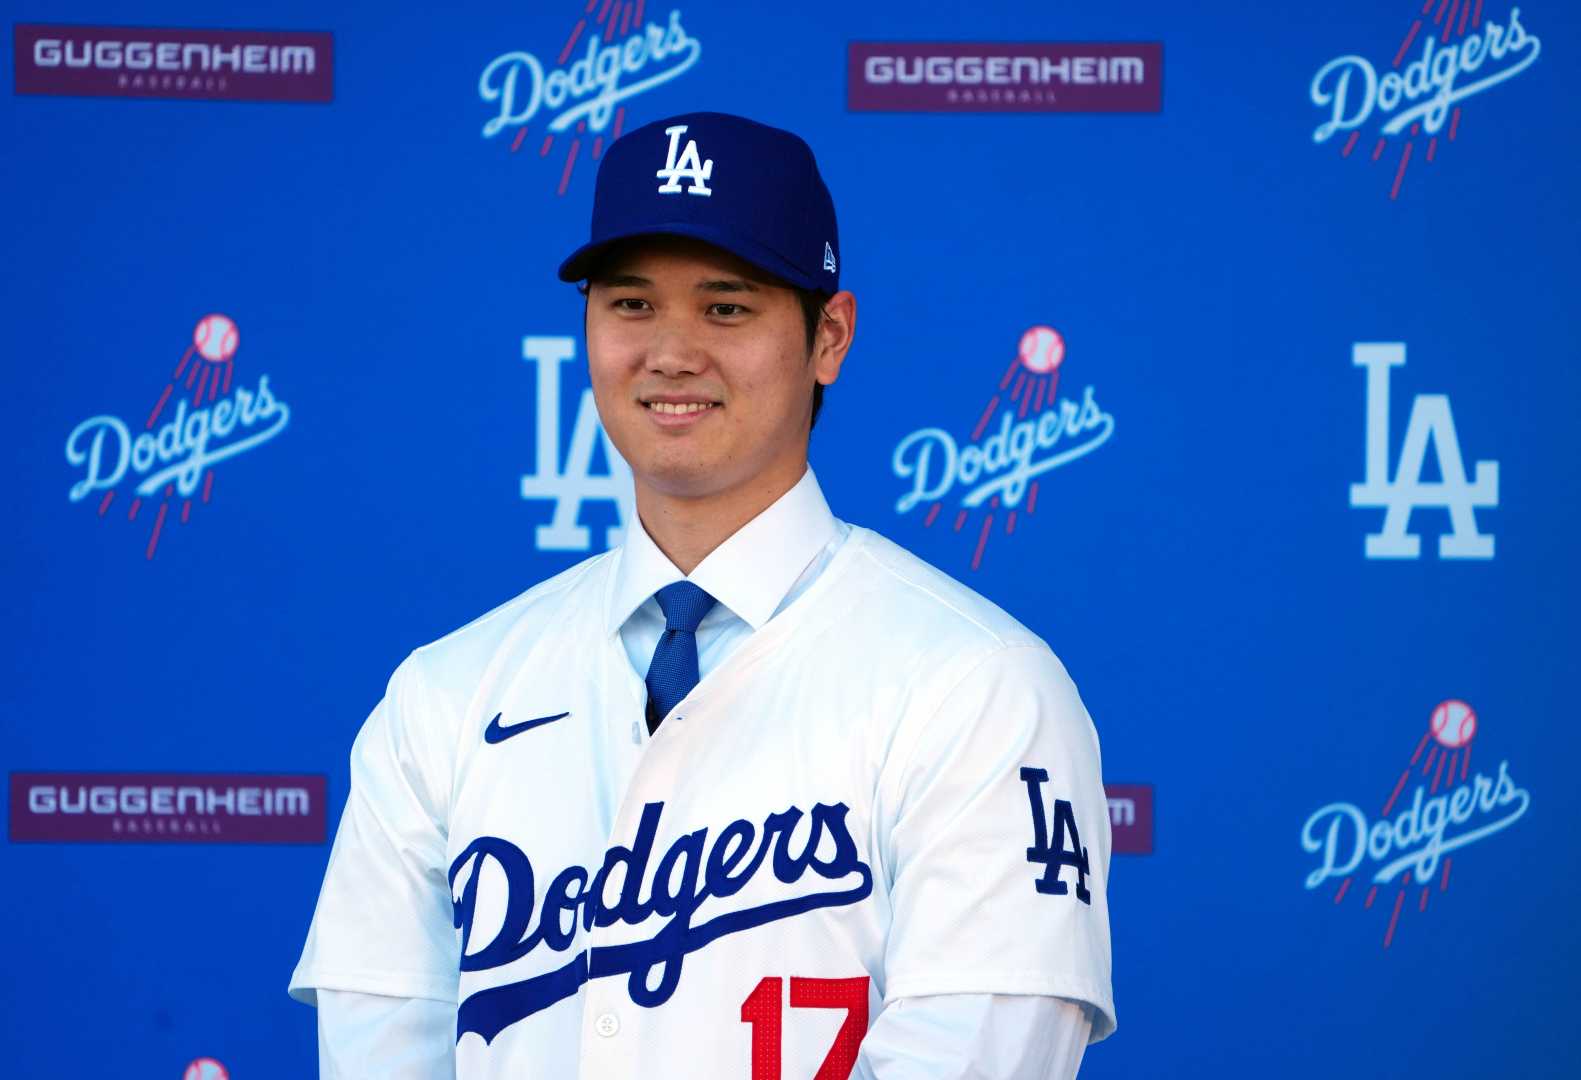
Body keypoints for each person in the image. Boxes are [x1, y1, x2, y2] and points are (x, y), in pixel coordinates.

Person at [290, 111, 1115, 1078]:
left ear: (829, 336)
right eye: (630, 306)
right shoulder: (444, 695)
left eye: (726, 307)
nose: (670, 353)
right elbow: (381, 1052)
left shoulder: (977, 687)